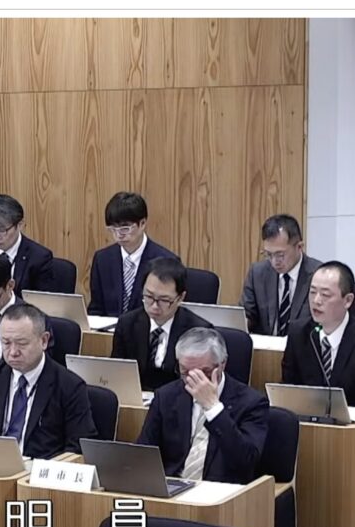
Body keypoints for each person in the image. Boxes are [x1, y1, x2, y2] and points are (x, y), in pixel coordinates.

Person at [0, 304, 97, 459]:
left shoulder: (70, 386)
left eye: (21, 343)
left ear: (44, 341)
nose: (13, 352)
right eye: (6, 343)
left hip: (39, 468)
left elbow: (77, 449)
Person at [137, 327, 268, 484]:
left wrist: (213, 408)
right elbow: (143, 453)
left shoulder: (252, 403)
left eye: (204, 372)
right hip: (173, 487)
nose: (193, 379)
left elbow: (247, 462)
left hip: (222, 491)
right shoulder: (166, 396)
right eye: (185, 372)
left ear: (222, 364)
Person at [281, 261, 355, 408]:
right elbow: (288, 389)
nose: (316, 301)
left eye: (325, 295)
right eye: (312, 292)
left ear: (348, 300)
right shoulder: (298, 333)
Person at [111, 257, 211, 391]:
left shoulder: (198, 332)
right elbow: (117, 373)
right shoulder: (127, 324)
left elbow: (198, 382)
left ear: (180, 298)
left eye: (164, 300)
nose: (154, 306)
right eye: (149, 296)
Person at [87, 192, 178, 316]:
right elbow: (95, 308)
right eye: (113, 229)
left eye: (125, 228)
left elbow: (169, 312)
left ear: (142, 223)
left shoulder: (166, 261)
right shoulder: (102, 259)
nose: (119, 235)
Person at [240, 214, 322, 335]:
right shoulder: (257, 273)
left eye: (280, 255)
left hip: (303, 345)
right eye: (268, 254)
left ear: (299, 247)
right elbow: (246, 315)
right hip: (265, 346)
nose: (274, 262)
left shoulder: (319, 275)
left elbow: (321, 323)